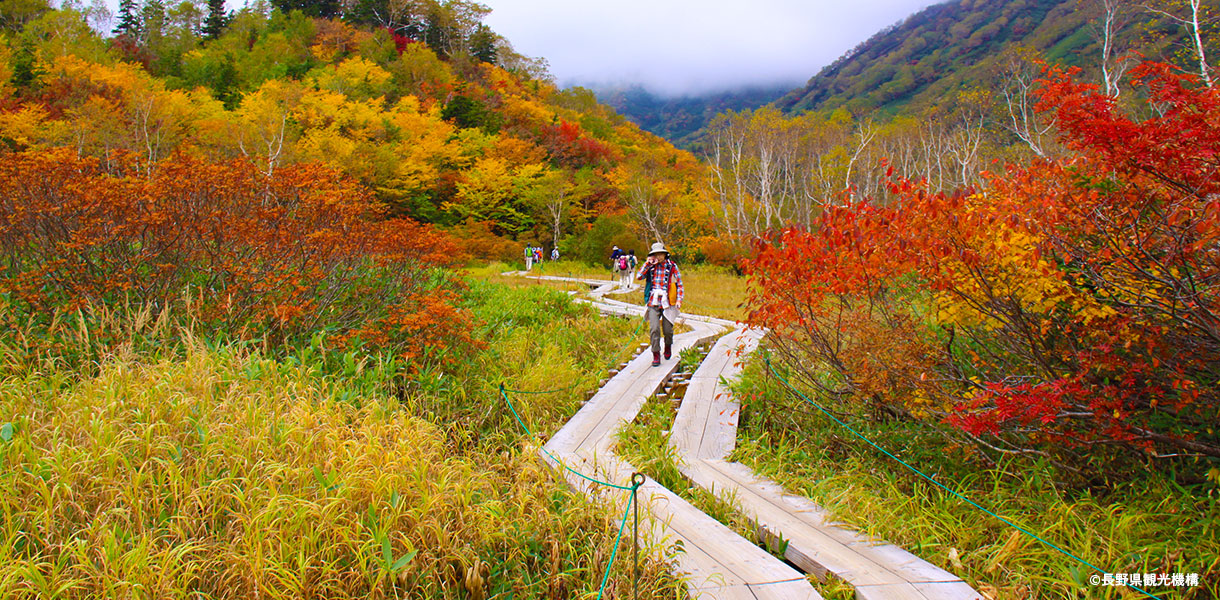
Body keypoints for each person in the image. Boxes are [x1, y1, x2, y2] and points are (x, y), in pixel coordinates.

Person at [636, 241, 683, 366]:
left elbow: (679, 284)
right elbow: (639, 276)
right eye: (655, 254)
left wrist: (679, 299)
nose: (658, 257)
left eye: (660, 254)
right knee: (654, 328)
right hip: (653, 301)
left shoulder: (672, 266)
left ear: (665, 254)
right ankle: (656, 354)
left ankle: (668, 345)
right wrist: (647, 263)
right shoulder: (650, 266)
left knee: (668, 330)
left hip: (668, 302)